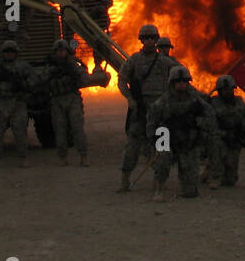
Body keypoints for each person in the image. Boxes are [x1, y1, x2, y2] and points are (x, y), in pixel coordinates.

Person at [116, 24, 174, 191]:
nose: (149, 41)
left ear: (156, 40)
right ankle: (125, 180)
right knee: (132, 148)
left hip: (159, 113)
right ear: (141, 40)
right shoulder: (134, 60)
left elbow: (179, 81)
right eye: (145, 38)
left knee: (161, 149)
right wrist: (130, 99)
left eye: (152, 38)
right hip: (140, 112)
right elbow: (121, 80)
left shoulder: (165, 62)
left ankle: (159, 184)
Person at [145, 66, 212, 201]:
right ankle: (159, 189)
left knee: (190, 193)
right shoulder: (163, 102)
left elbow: (210, 119)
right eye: (178, 81)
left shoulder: (196, 102)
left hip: (188, 142)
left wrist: (197, 123)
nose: (182, 84)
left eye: (184, 81)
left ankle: (186, 185)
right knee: (163, 159)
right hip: (167, 140)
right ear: (172, 83)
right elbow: (151, 123)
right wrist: (157, 141)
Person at [46, 40, 107, 166]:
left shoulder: (73, 65)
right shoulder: (50, 67)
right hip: (57, 100)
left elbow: (84, 78)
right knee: (60, 130)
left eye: (63, 51)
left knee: (77, 128)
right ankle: (62, 157)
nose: (61, 53)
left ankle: (83, 156)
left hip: (72, 98)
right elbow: (41, 80)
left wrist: (74, 79)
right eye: (58, 51)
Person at [0, 40, 36, 167]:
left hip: (17, 102)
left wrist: (20, 84)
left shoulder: (23, 67)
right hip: (1, 103)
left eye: (11, 52)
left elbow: (33, 81)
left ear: (16, 53)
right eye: (6, 52)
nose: (9, 54)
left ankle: (23, 157)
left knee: (20, 132)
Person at [208, 75, 245, 186]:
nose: (228, 92)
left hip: (234, 140)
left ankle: (211, 170)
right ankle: (214, 174)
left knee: (230, 181)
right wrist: (223, 134)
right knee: (217, 151)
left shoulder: (239, 102)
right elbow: (209, 126)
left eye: (230, 89)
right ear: (219, 91)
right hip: (218, 139)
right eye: (225, 90)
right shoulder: (213, 103)